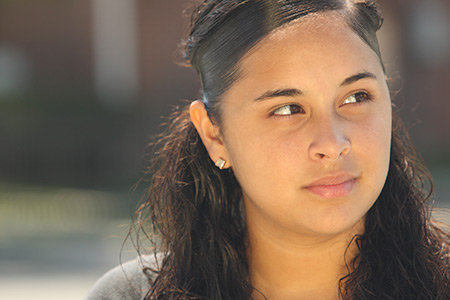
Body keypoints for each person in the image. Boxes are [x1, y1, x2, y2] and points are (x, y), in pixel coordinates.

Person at [86, 0, 450, 299]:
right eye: (287, 108)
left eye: (357, 97)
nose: (332, 144)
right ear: (215, 135)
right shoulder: (136, 296)